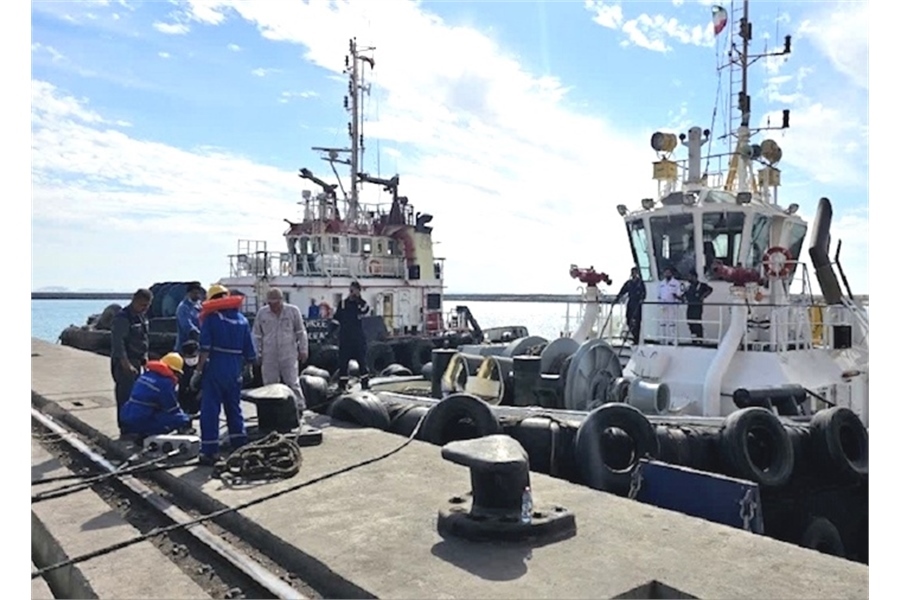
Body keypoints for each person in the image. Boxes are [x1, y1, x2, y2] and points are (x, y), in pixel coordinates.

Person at [190, 284, 258, 466]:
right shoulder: (242, 320)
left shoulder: (212, 319)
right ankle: (239, 446)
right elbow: (250, 351)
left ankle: (209, 451)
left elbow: (205, 349)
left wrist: (198, 372)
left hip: (216, 366)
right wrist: (248, 368)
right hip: (235, 369)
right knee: (234, 408)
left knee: (210, 410)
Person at [253, 288, 309, 415]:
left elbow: (301, 332)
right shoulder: (262, 313)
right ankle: (270, 411)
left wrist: (303, 349)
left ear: (281, 300)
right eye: (270, 304)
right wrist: (257, 353)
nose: (273, 307)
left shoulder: (293, 311)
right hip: (269, 354)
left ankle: (299, 407)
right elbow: (256, 335)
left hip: (288, 353)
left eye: (276, 303)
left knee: (292, 382)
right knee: (269, 384)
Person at [110, 288, 153, 435]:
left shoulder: (141, 317)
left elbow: (144, 338)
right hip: (125, 361)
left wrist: (145, 357)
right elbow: (118, 342)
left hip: (138, 360)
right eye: (143, 305)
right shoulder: (123, 318)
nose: (145, 308)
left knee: (136, 396)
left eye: (147, 305)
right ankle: (125, 428)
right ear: (135, 300)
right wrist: (125, 363)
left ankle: (134, 425)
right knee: (125, 396)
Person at [120, 353, 192, 438]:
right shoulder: (165, 383)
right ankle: (146, 434)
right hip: (141, 420)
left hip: (127, 415)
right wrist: (186, 418)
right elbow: (172, 408)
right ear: (174, 370)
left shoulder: (146, 374)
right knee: (178, 419)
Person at [333, 281, 370, 378]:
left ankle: (364, 381)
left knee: (362, 362)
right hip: (345, 338)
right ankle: (342, 383)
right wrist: (332, 333)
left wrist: (358, 299)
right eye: (351, 290)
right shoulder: (343, 304)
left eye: (354, 290)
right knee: (343, 363)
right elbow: (336, 318)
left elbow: (365, 310)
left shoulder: (361, 304)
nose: (352, 292)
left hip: (358, 338)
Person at [614, 267, 647, 344]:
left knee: (637, 320)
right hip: (631, 302)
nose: (633, 274)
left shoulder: (640, 283)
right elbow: (622, 291)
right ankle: (633, 334)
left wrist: (641, 299)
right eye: (632, 272)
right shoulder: (629, 283)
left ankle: (636, 339)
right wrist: (617, 299)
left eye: (635, 272)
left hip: (637, 303)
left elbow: (644, 293)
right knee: (628, 319)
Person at [680, 270, 713, 341]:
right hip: (690, 306)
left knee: (697, 322)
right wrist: (680, 298)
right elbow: (684, 296)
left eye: (689, 276)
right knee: (690, 322)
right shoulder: (689, 287)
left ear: (694, 277)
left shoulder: (701, 285)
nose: (688, 278)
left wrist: (703, 296)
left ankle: (700, 339)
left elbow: (710, 289)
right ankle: (694, 338)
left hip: (697, 307)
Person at [175, 282, 204, 350]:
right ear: (188, 293)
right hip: (185, 347)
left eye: (198, 293)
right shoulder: (183, 307)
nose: (197, 295)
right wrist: (198, 334)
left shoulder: (200, 306)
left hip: (198, 346)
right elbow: (186, 326)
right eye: (194, 293)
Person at [657, 267, 682, 342]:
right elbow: (659, 295)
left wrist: (676, 298)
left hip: (672, 305)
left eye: (669, 273)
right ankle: (663, 339)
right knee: (663, 322)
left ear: (671, 273)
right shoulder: (661, 283)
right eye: (666, 273)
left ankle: (672, 340)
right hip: (663, 305)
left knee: (672, 322)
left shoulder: (676, 283)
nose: (667, 274)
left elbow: (679, 294)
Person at [178, 339, 202, 416]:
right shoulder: (180, 364)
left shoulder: (204, 365)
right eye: (188, 356)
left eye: (194, 356)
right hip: (183, 395)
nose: (192, 359)